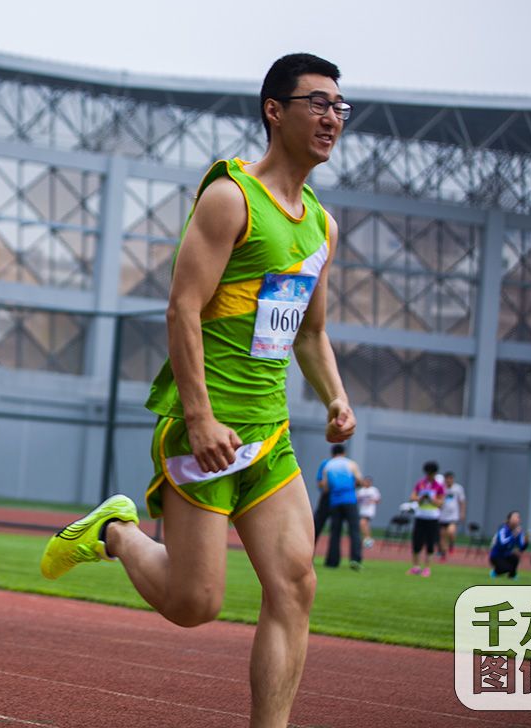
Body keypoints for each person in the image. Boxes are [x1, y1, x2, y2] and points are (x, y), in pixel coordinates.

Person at [41, 53, 355, 728]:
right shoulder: (230, 197)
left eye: (339, 106)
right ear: (275, 110)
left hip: (269, 436)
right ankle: (118, 533)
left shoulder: (322, 227)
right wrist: (201, 417)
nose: (332, 117)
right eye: (318, 103)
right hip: (204, 433)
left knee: (296, 585)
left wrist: (334, 394)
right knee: (194, 604)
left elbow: (310, 331)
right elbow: (181, 309)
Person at [320, 445, 363, 569]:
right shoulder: (351, 464)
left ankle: (332, 561)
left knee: (335, 532)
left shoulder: (328, 466)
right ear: (344, 452)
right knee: (354, 530)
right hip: (350, 500)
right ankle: (355, 559)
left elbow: (326, 487)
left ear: (332, 453)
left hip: (335, 501)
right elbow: (359, 480)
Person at [409, 461, 446, 576]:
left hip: (432, 518)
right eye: (428, 473)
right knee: (416, 542)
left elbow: (441, 503)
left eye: (431, 473)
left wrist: (432, 500)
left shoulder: (438, 486)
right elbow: (412, 497)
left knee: (430, 543)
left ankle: (427, 568)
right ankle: (416, 567)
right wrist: (420, 498)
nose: (429, 475)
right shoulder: (420, 484)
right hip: (420, 516)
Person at [490, 511, 529, 578]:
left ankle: (512, 576)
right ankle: (495, 571)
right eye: (515, 517)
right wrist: (513, 535)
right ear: (509, 519)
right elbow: (502, 543)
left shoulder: (519, 531)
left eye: (518, 517)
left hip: (507, 555)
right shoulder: (503, 529)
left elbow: (521, 547)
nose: (517, 519)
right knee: (506, 569)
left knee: (515, 558)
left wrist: (526, 542)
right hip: (497, 556)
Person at [438, 471, 466, 558]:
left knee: (450, 532)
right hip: (442, 516)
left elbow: (462, 501)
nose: (449, 480)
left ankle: (451, 544)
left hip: (453, 515)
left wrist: (462, 513)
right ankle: (443, 553)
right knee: (442, 535)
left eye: (450, 478)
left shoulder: (458, 488)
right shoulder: (441, 488)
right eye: (447, 479)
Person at [311, 453, 333, 541]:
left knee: (318, 523)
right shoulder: (348, 464)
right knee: (319, 523)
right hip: (336, 497)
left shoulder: (326, 463)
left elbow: (319, 482)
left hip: (329, 496)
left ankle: (310, 548)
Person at [356, 476, 381, 549]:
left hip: (369, 510)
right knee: (365, 525)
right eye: (364, 481)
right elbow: (357, 499)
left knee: (362, 523)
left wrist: (370, 501)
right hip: (362, 510)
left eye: (367, 481)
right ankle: (367, 539)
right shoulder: (361, 490)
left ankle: (368, 540)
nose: (365, 483)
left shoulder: (373, 490)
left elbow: (378, 500)